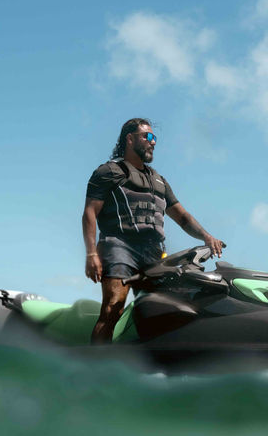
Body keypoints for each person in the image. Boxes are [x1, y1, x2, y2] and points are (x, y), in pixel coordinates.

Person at [82, 118, 224, 344]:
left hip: (154, 253)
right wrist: (91, 254)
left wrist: (206, 236)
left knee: (168, 309)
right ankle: (95, 361)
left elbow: (182, 217)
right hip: (119, 246)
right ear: (130, 139)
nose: (153, 142)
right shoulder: (108, 171)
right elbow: (90, 212)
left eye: (154, 137)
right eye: (147, 136)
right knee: (113, 307)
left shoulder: (159, 180)